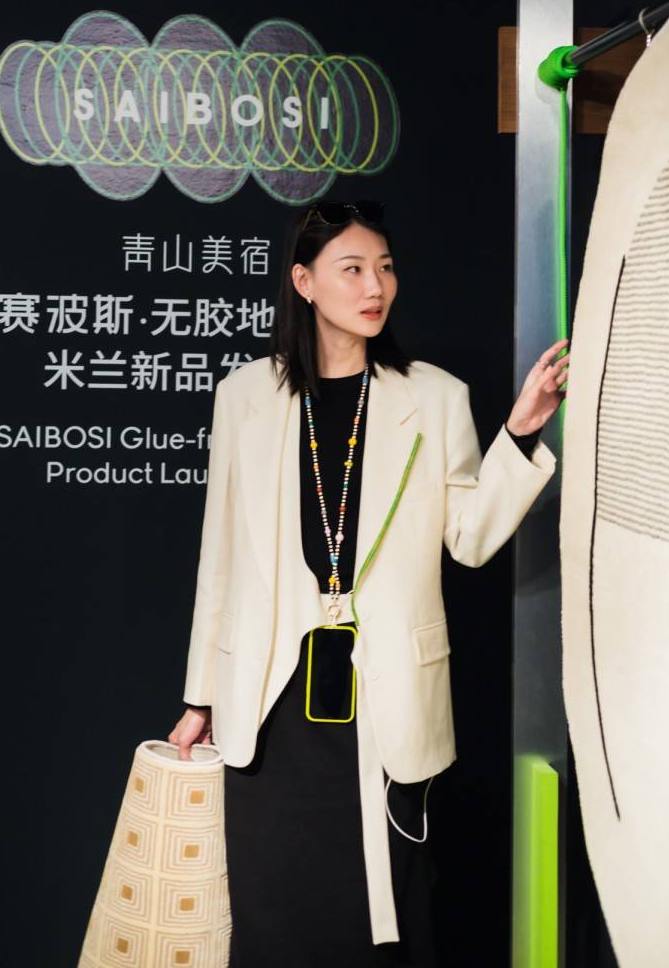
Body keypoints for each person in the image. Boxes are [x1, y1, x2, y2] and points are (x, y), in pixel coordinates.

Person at [168, 198, 567, 967]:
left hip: (385, 705)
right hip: (269, 708)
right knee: (273, 923)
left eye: (384, 267)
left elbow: (470, 539)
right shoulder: (244, 396)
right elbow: (219, 560)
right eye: (351, 269)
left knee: (377, 926)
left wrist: (520, 433)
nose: (375, 286)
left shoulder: (435, 396)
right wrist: (200, 698)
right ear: (304, 282)